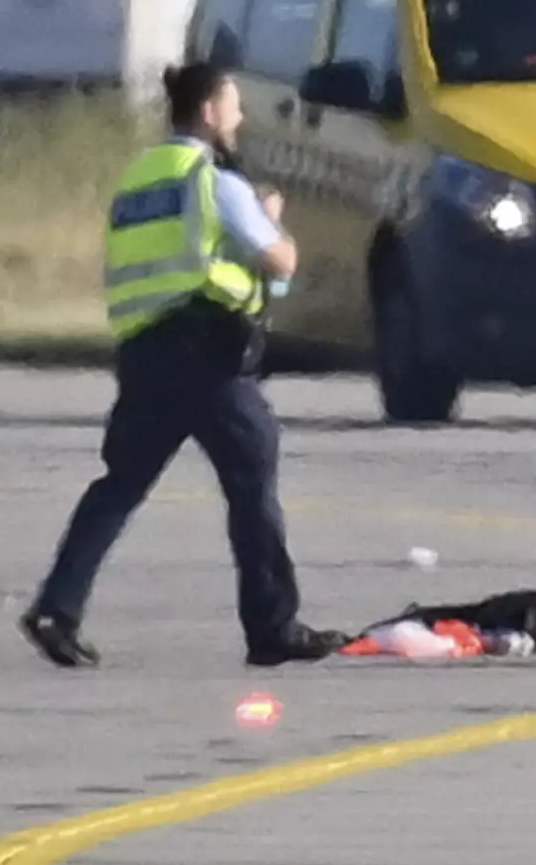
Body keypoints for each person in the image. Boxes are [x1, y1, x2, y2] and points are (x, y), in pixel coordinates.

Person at [23, 61, 343, 670]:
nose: (241, 116)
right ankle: (272, 625)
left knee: (119, 484)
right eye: (233, 104)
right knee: (253, 481)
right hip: (208, 352)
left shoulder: (142, 178)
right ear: (207, 111)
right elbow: (280, 263)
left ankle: (56, 608)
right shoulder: (214, 179)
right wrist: (272, 219)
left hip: (145, 349)